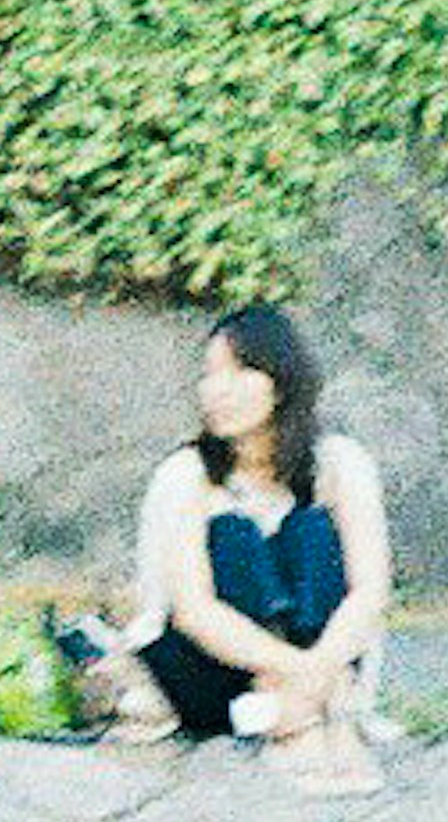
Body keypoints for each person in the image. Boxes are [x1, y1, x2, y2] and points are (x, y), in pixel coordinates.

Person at [112, 306, 393, 783]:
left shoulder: (340, 464)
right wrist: (306, 671)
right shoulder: (187, 475)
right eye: (210, 374)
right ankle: (308, 722)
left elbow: (371, 591)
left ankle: (305, 715)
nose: (217, 390)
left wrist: (318, 664)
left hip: (321, 658)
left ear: (282, 382)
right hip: (210, 670)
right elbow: (194, 613)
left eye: (240, 371)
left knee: (312, 530)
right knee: (234, 535)